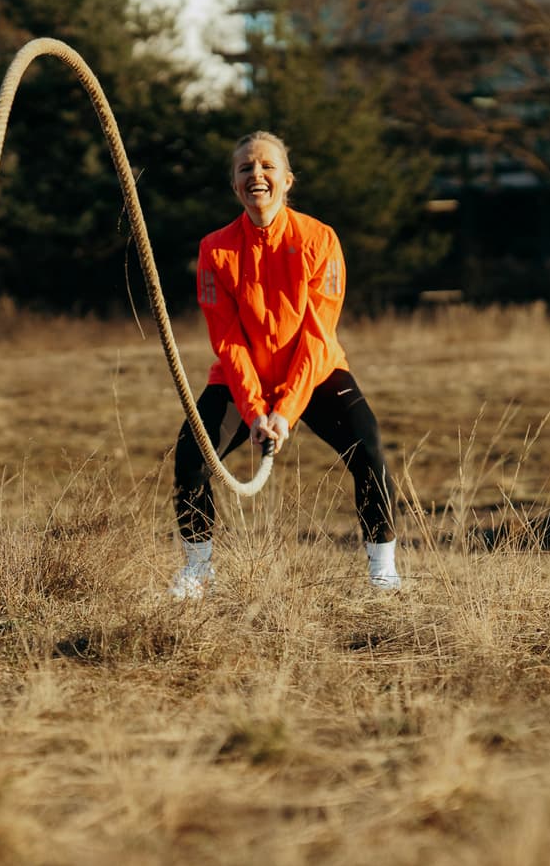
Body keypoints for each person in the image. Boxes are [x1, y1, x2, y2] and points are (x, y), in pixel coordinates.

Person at [170, 131, 401, 597]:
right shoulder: (215, 249)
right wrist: (255, 410)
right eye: (245, 168)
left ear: (287, 179)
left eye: (267, 166)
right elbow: (227, 340)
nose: (257, 174)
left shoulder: (320, 239)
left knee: (369, 448)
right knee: (190, 458)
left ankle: (383, 571)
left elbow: (319, 335)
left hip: (314, 374)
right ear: (234, 185)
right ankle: (198, 572)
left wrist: (285, 411)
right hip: (243, 379)